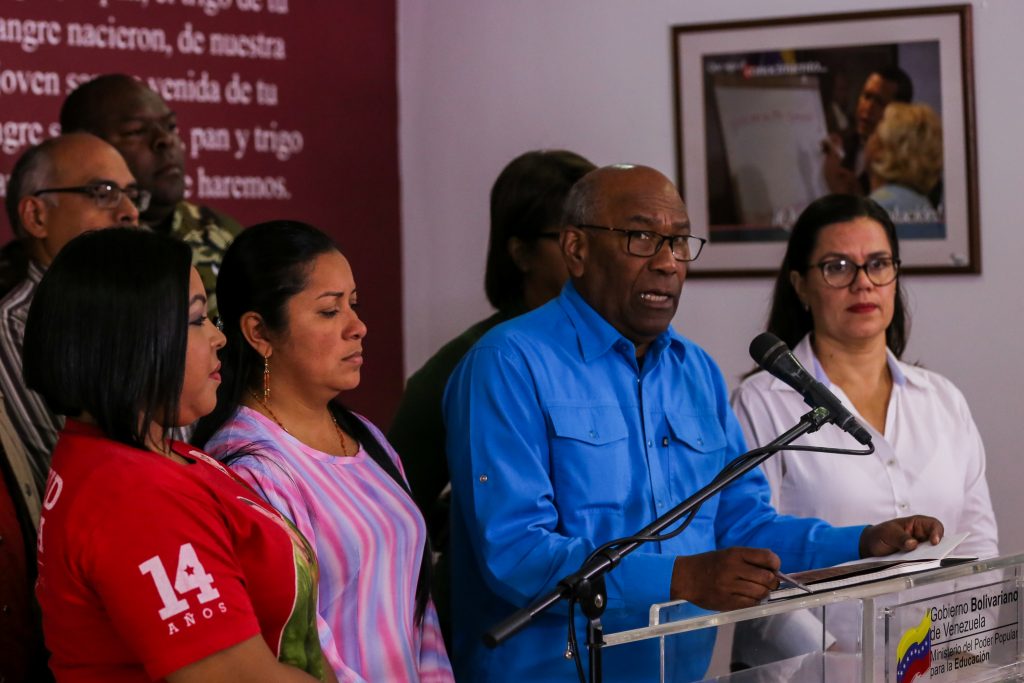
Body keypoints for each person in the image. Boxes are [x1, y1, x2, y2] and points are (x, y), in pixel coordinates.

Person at [442, 164, 944, 683]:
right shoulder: (508, 364)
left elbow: (743, 525)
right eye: (641, 238)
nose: (667, 263)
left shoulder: (696, 371)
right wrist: (681, 577)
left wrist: (862, 544)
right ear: (577, 249)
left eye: (679, 242)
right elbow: (517, 554)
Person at [25, 228, 333, 682]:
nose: (218, 338)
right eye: (195, 320)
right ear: (129, 339)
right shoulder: (134, 495)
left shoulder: (148, 454)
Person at [730, 194, 997, 666]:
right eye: (837, 267)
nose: (863, 283)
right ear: (800, 285)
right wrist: (839, 660)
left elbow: (978, 544)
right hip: (808, 672)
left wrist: (963, 649)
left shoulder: (943, 399)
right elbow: (749, 554)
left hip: (939, 668)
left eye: (878, 264)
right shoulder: (760, 402)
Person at [194, 221, 454, 682]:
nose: (358, 327)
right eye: (330, 311)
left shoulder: (366, 437)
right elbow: (299, 645)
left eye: (354, 304)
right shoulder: (250, 468)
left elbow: (419, 610)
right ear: (259, 331)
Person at [388, 149, 595, 640]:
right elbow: (389, 506)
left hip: (610, 624)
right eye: (569, 239)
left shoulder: (624, 352)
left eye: (598, 235)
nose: (588, 254)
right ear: (520, 253)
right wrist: (461, 518)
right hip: (505, 633)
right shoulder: (470, 361)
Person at [0, 132, 143, 502]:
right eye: (103, 192)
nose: (130, 211)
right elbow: (67, 483)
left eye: (131, 193)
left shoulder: (145, 315)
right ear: (37, 216)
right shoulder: (14, 330)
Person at [59, 73, 242, 314]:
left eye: (170, 126)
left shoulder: (222, 233)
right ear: (86, 147)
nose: (164, 140)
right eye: (135, 131)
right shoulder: (73, 244)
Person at [824, 66, 913, 195]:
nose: (868, 107)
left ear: (899, 113)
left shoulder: (909, 164)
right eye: (866, 96)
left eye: (880, 102)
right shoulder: (841, 146)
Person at [866, 102, 945, 238]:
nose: (868, 139)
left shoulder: (880, 207)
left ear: (880, 150)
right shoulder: (923, 205)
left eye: (874, 133)